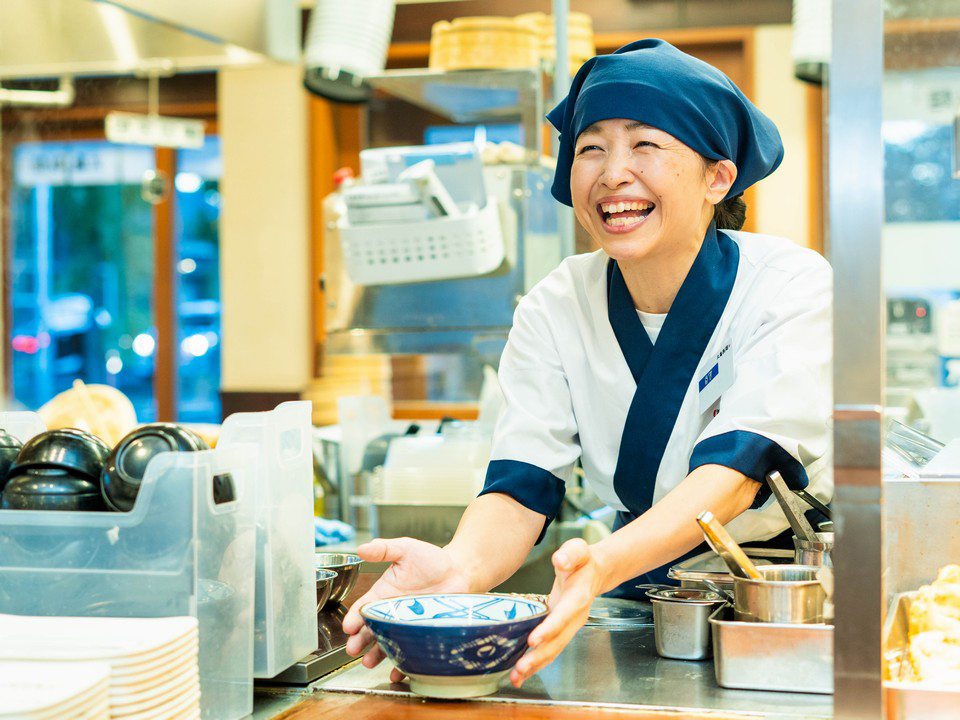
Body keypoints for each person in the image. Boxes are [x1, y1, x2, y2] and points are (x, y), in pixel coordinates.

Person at [343, 38, 832, 688]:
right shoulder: (554, 305)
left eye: (645, 145)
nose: (611, 173)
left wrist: (604, 561)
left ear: (718, 177)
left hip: (787, 599)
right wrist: (459, 569)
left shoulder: (790, 284)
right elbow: (521, 487)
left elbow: (737, 473)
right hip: (647, 601)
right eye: (591, 147)